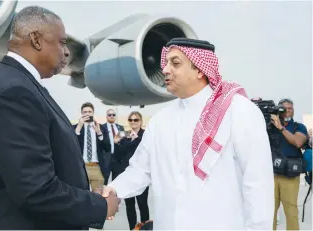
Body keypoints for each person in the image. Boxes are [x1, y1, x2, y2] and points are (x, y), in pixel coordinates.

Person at [0, 6, 118, 230]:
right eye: (62, 42)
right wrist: (100, 206)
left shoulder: (19, 84)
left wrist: (82, 193)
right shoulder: (14, 92)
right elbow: (35, 191)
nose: (66, 52)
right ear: (36, 39)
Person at [100, 38, 274, 230]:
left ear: (200, 69)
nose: (165, 70)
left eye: (175, 63)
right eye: (165, 63)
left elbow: (257, 184)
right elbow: (140, 170)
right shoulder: (160, 120)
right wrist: (113, 190)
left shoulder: (238, 111)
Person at [270, 98, 308, 230]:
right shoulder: (270, 127)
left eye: (290, 108)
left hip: (290, 177)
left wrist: (280, 128)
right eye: (284, 108)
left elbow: (298, 142)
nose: (287, 111)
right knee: (269, 213)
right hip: (271, 176)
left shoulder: (299, 127)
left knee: (291, 213)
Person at [112, 111, 149, 230]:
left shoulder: (145, 135)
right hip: (127, 174)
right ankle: (132, 228)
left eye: (136, 119)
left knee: (142, 204)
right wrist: (116, 143)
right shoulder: (125, 135)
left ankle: (145, 228)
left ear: (141, 121)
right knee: (129, 205)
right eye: (131, 120)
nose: (133, 122)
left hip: (142, 174)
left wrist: (135, 140)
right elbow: (118, 156)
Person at [74, 102, 110, 190]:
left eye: (89, 112)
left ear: (93, 113)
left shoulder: (101, 128)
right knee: (82, 195)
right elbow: (72, 145)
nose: (87, 114)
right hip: (81, 167)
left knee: (98, 195)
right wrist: (79, 127)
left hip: (96, 166)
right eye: (85, 112)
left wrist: (99, 133)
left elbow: (107, 148)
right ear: (81, 114)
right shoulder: (75, 127)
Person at [102, 108, 124, 185]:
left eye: (113, 115)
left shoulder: (120, 128)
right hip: (106, 158)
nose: (111, 116)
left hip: (117, 159)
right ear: (106, 116)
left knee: (116, 183)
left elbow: (123, 142)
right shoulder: (102, 127)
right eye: (109, 115)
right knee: (104, 182)